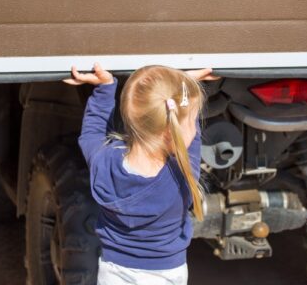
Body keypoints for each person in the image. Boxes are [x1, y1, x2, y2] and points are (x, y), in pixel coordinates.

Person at [63, 63, 221, 285]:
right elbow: (190, 141)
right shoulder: (181, 176)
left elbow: (91, 133)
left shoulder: (104, 163)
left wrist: (105, 88)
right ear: (171, 131)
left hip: (113, 272)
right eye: (192, 122)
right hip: (166, 275)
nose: (194, 130)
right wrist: (185, 83)